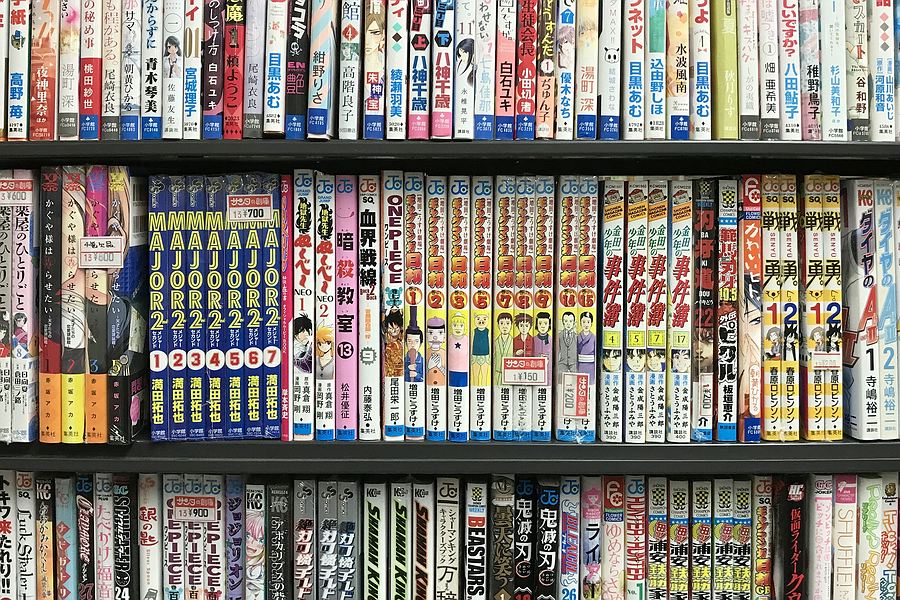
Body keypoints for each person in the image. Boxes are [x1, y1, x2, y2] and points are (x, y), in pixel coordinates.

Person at [448, 312, 469, 387]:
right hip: (451, 368)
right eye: (455, 325)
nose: (458, 328)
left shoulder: (466, 339)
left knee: (462, 385)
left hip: (464, 369)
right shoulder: (450, 338)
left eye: (461, 325)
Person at [471, 313, 491, 386]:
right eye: (478, 319)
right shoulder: (474, 331)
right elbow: (471, 342)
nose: (481, 321)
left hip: (486, 356)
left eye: (484, 319)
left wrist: (490, 355)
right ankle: (476, 386)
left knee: (485, 375)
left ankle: (483, 386)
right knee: (475, 375)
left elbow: (489, 342)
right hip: (475, 356)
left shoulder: (488, 331)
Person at [383, 308, 404, 377]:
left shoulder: (402, 339)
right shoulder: (386, 339)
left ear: (400, 327)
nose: (393, 331)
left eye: (396, 328)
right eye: (390, 328)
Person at [426, 318, 447, 386]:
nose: (435, 337)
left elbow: (448, 374)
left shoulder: (445, 353)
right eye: (431, 333)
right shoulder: (425, 352)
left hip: (442, 385)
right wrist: (429, 367)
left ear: (444, 337)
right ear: (426, 336)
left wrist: (440, 366)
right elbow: (420, 374)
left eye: (440, 333)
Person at [494, 312, 514, 385]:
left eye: (507, 323)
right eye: (502, 323)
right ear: (498, 325)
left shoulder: (514, 342)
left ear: (511, 325)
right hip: (497, 375)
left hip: (510, 375)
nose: (504, 326)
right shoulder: (495, 342)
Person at [577, 311, 596, 383]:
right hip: (580, 364)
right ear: (580, 323)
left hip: (591, 365)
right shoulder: (578, 337)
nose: (586, 324)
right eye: (584, 322)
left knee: (590, 383)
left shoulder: (594, 337)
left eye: (588, 322)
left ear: (591, 323)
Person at [557, 311, 577, 376]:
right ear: (563, 322)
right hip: (562, 363)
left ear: (574, 322)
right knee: (560, 377)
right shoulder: (559, 335)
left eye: (570, 321)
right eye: (566, 321)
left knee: (575, 378)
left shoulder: (576, 336)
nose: (568, 324)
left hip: (574, 363)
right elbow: (557, 350)